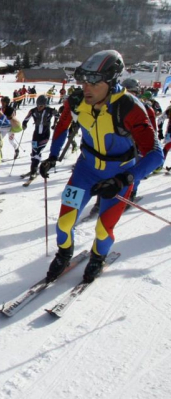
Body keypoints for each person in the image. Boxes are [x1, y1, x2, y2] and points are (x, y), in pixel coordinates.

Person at [39, 50, 163, 283]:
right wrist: (53, 156)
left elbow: (156, 155)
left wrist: (125, 179)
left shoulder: (129, 107)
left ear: (111, 80)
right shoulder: (77, 100)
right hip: (85, 171)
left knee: (103, 229)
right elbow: (62, 126)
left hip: (118, 174)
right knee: (64, 223)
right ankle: (64, 254)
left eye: (94, 81)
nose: (86, 87)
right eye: (83, 80)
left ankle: (98, 257)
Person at [21, 95, 59, 179]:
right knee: (34, 152)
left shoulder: (50, 110)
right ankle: (34, 168)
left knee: (37, 151)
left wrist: (55, 124)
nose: (39, 107)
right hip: (36, 135)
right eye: (37, 105)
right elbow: (26, 119)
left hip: (45, 135)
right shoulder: (33, 111)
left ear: (45, 105)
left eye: (41, 106)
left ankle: (34, 170)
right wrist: (24, 124)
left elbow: (57, 116)